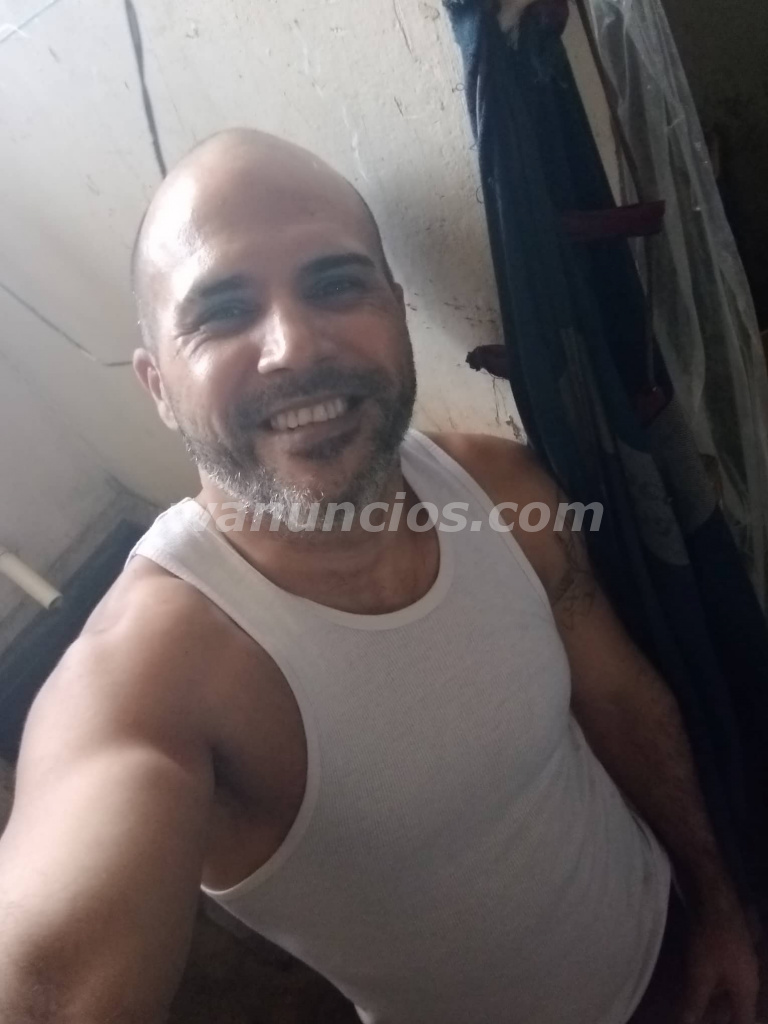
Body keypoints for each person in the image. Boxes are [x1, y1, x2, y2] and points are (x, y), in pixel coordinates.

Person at [0, 128, 759, 1024]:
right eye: (223, 311)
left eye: (335, 284)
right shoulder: (149, 682)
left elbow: (621, 700)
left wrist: (720, 905)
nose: (293, 346)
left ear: (396, 312)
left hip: (682, 943)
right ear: (158, 384)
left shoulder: (501, 489)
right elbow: (46, 980)